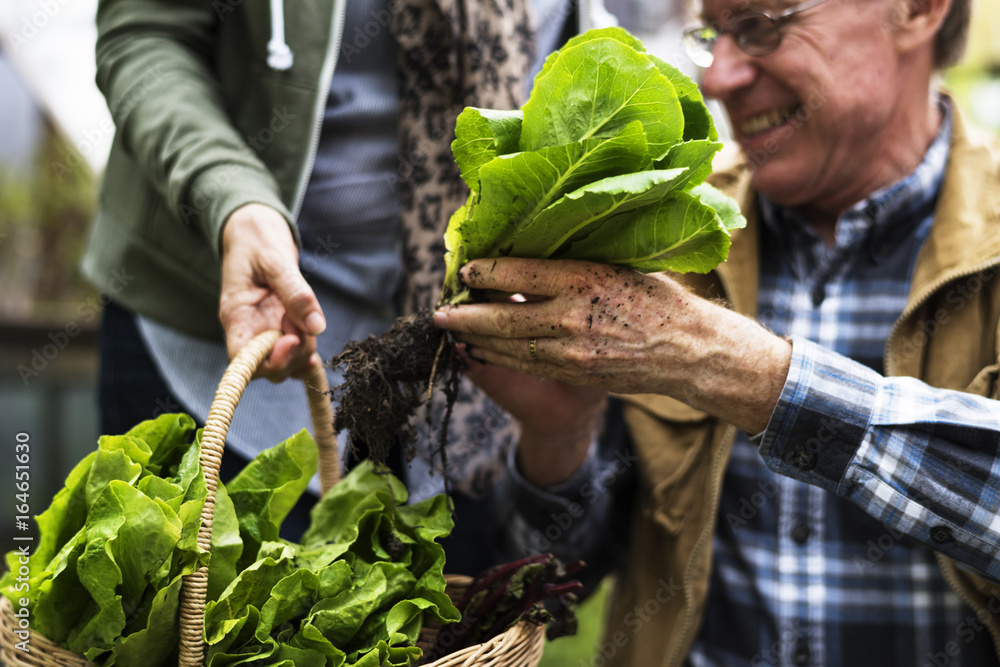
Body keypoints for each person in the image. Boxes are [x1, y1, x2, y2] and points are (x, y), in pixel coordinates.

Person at [434, 0, 1000, 663]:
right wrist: (558, 435)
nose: (720, 77)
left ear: (915, 11)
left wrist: (738, 370)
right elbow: (555, 585)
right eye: (711, 35)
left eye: (762, 26)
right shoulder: (660, 229)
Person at [82, 0, 613, 570]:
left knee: (449, 627)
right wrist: (231, 198)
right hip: (231, 333)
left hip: (465, 372)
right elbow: (146, 34)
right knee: (197, 624)